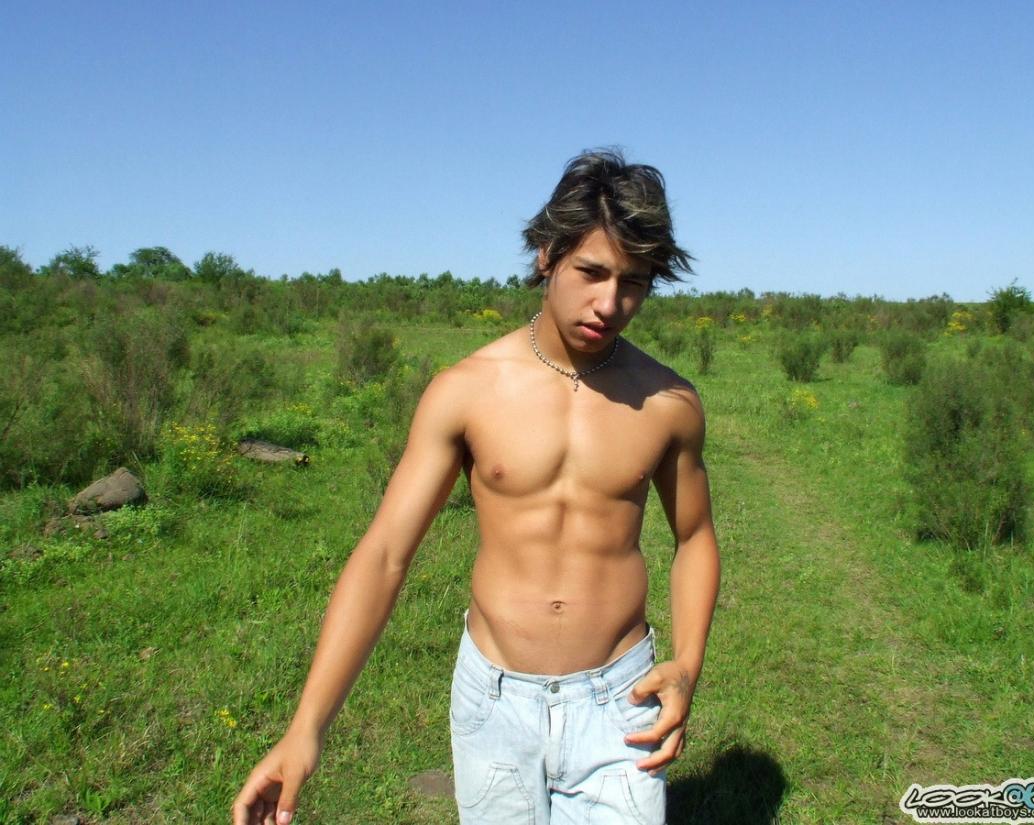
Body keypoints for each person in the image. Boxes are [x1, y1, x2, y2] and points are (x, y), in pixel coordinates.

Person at [232, 149, 721, 825]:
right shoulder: (466, 391)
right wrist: (305, 727)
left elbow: (694, 537)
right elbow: (384, 554)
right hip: (494, 702)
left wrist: (687, 664)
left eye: (633, 283)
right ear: (547, 254)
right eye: (591, 272)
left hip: (621, 697)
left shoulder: (668, 401)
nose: (610, 304)